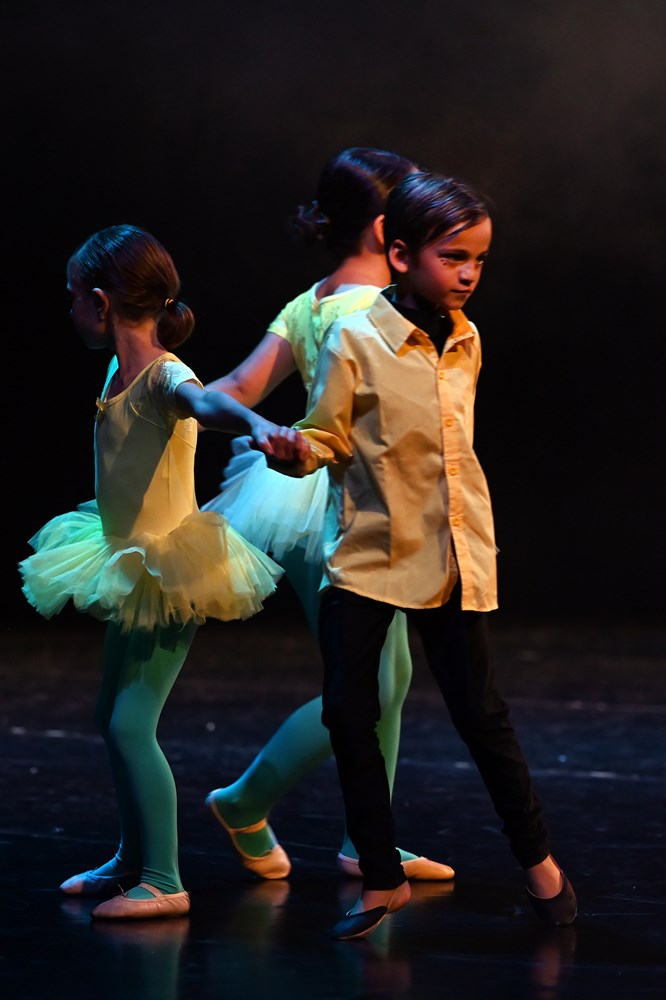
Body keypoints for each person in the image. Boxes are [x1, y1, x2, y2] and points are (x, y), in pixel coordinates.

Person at [271, 171, 578, 940]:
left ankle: (540, 862)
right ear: (402, 254)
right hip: (370, 554)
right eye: (454, 257)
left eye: (479, 259)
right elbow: (327, 434)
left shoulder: (466, 338)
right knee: (351, 714)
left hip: (450, 555)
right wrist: (297, 451)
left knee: (482, 716)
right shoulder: (353, 336)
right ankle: (381, 875)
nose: (469, 274)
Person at [18, 224, 309, 921]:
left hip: (168, 571)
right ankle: (132, 858)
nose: (69, 309)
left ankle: (165, 878)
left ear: (99, 302)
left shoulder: (165, 374)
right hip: (124, 559)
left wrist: (254, 424)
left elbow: (207, 403)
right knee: (110, 717)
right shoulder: (119, 371)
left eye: (72, 296)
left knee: (130, 725)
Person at [201, 148, 454, 882]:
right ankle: (247, 799)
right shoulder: (374, 308)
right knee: (375, 681)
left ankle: (365, 839)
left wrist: (178, 403)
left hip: (307, 495)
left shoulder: (310, 301)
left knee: (386, 675)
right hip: (347, 500)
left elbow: (238, 385)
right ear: (384, 229)